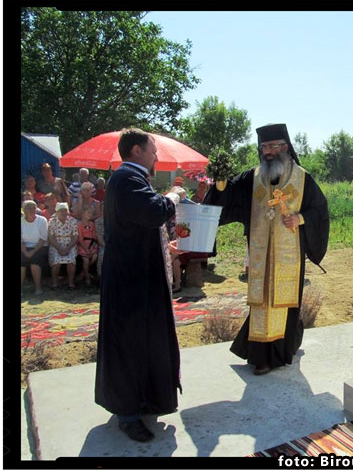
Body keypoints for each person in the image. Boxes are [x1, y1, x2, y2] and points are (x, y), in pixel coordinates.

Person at [203, 123, 330, 375]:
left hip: (288, 253)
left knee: (283, 301)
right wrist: (219, 183)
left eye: (272, 146)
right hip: (261, 252)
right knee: (262, 301)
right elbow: (229, 195)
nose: (268, 152)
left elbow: (320, 211)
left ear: (285, 147)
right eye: (264, 147)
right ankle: (265, 353)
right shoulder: (253, 177)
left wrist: (299, 219)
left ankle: (276, 353)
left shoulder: (302, 178)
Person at [95, 127, 187, 443]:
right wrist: (174, 196)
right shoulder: (126, 179)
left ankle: (145, 400)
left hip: (138, 277)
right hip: (129, 282)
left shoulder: (132, 180)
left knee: (144, 342)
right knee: (130, 346)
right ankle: (128, 414)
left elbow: (140, 228)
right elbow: (153, 212)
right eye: (152, 150)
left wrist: (166, 247)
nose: (156, 156)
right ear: (136, 151)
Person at [48, 202, 78, 290]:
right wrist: (59, 248)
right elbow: (51, 237)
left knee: (71, 261)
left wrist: (68, 248)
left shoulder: (72, 220)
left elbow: (75, 236)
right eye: (61, 211)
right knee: (56, 262)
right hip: (56, 244)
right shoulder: (52, 221)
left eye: (65, 210)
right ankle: (54, 283)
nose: (64, 213)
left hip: (70, 244)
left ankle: (71, 283)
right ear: (57, 212)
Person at [21, 200, 49, 296]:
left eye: (34, 207)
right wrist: (25, 251)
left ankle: (38, 288)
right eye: (29, 208)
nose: (32, 209)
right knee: (21, 264)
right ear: (24, 210)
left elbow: (43, 238)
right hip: (24, 247)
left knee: (35, 263)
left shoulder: (42, 220)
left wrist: (32, 251)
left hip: (40, 247)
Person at [77, 206, 99, 287]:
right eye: (88, 213)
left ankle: (83, 272)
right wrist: (86, 249)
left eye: (91, 213)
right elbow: (80, 238)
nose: (90, 215)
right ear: (83, 214)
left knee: (94, 256)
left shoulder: (92, 224)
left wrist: (92, 247)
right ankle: (87, 278)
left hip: (92, 244)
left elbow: (94, 237)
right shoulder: (79, 224)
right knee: (85, 260)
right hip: (83, 245)